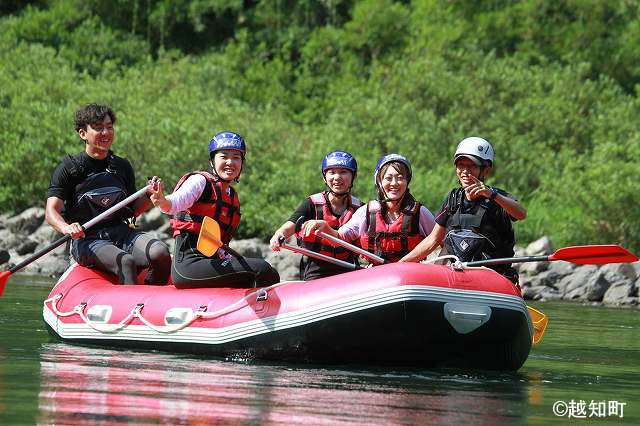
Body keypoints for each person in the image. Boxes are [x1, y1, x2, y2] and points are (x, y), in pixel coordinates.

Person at [45, 103, 171, 285]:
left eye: (109, 127)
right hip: (87, 239)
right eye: (98, 128)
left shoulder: (121, 166)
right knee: (125, 262)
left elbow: (132, 210)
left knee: (161, 252)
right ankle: (130, 305)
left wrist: (149, 196)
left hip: (121, 232)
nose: (106, 133)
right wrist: (66, 228)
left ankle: (150, 297)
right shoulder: (69, 169)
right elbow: (51, 212)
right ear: (83, 134)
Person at [149, 131, 280, 289]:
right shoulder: (200, 182)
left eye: (236, 157)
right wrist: (163, 201)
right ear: (212, 161)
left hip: (213, 260)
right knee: (262, 269)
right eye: (224, 156)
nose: (230, 162)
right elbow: (176, 201)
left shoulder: (231, 196)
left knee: (270, 272)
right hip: (189, 264)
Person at [399, 137, 526, 283]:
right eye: (461, 165)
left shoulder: (498, 198)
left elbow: (521, 214)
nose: (465, 171)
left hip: (490, 278)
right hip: (455, 276)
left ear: (486, 169)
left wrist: (492, 195)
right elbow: (433, 240)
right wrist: (401, 263)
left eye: (471, 166)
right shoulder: (453, 198)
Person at [302, 154, 436, 263]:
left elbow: (442, 241)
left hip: (410, 277)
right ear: (379, 182)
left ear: (407, 182)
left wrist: (439, 266)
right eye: (388, 178)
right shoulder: (365, 213)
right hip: (376, 277)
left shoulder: (420, 213)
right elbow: (341, 237)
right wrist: (325, 227)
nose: (394, 183)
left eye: (400, 178)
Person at [269, 151, 363, 280]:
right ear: (324, 177)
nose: (337, 177)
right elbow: (289, 226)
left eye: (343, 172)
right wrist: (278, 235)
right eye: (332, 172)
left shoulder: (361, 209)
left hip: (350, 266)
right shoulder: (312, 204)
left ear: (353, 176)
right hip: (317, 267)